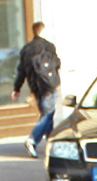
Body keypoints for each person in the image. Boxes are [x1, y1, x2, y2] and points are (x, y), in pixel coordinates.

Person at [11, 21, 61, 157]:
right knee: (48, 114)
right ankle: (32, 139)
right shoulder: (48, 46)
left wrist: (17, 88)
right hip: (48, 85)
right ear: (43, 31)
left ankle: (51, 146)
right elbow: (56, 64)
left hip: (35, 87)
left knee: (47, 113)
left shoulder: (26, 49)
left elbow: (21, 71)